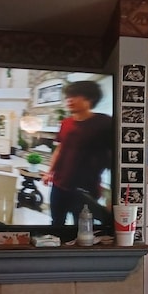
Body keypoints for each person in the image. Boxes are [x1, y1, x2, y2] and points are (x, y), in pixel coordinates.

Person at [42, 80, 112, 226]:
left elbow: (114, 157)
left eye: (74, 96)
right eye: (68, 96)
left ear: (89, 99)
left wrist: (112, 194)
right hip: (59, 185)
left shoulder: (105, 123)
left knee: (82, 228)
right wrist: (50, 172)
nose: (69, 100)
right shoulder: (65, 123)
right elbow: (60, 149)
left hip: (85, 189)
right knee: (56, 223)